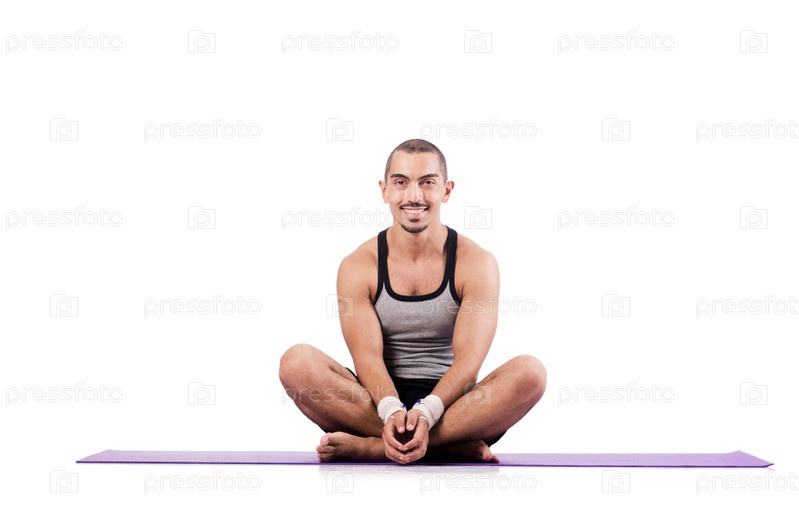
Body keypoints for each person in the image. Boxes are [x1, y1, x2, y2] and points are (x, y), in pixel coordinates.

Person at [279, 139, 546, 464]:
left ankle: (375, 447)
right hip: (375, 404)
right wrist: (392, 411)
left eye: (427, 182)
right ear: (385, 191)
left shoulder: (477, 262)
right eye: (401, 182)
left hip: (453, 408)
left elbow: (469, 362)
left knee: (531, 373)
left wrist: (427, 412)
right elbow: (367, 358)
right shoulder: (358, 265)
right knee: (295, 363)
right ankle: (441, 447)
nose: (414, 196)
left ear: (446, 190)